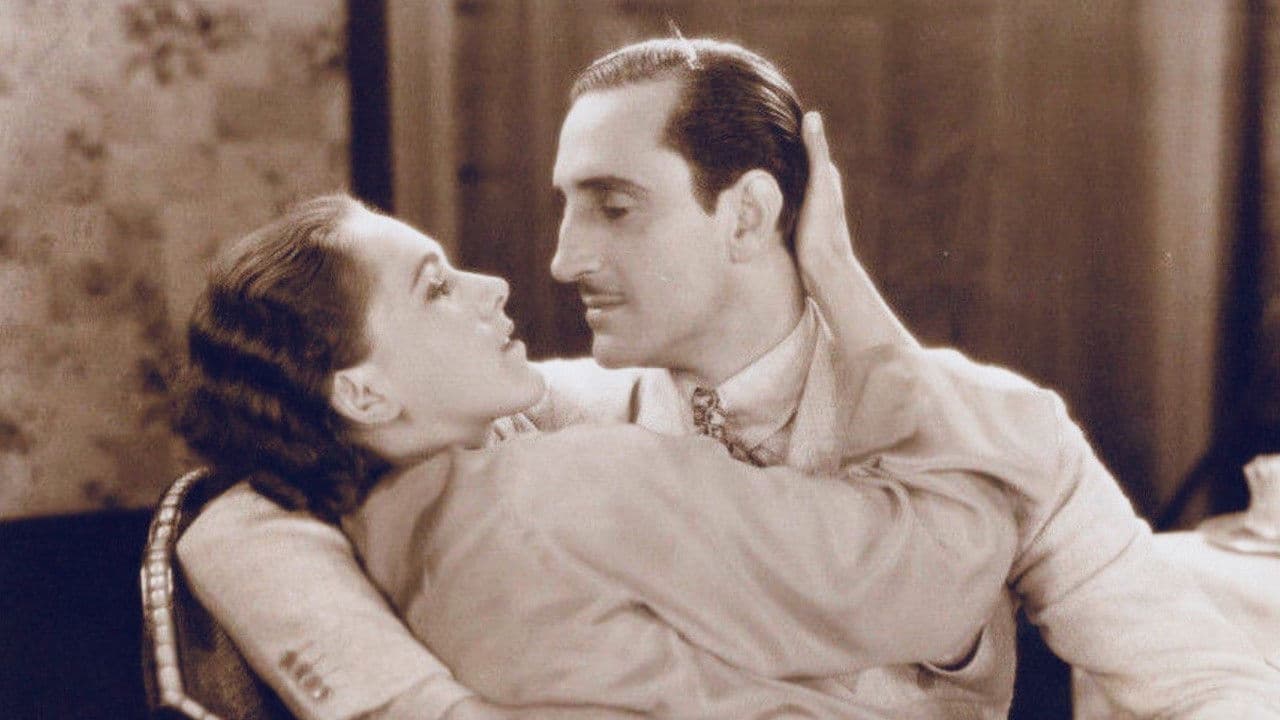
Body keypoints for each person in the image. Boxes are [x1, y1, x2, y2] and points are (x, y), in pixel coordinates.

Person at [178, 37, 1280, 720]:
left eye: (613, 206)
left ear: (747, 215)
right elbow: (232, 523)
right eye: (566, 207)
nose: (558, 260)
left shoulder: (999, 428)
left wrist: (848, 292)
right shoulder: (549, 423)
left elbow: (1202, 685)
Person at [176, 192, 1020, 718]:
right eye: (436, 286)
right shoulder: (575, 482)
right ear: (362, 395)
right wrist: (841, 282)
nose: (494, 285)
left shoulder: (397, 515)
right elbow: (948, 571)